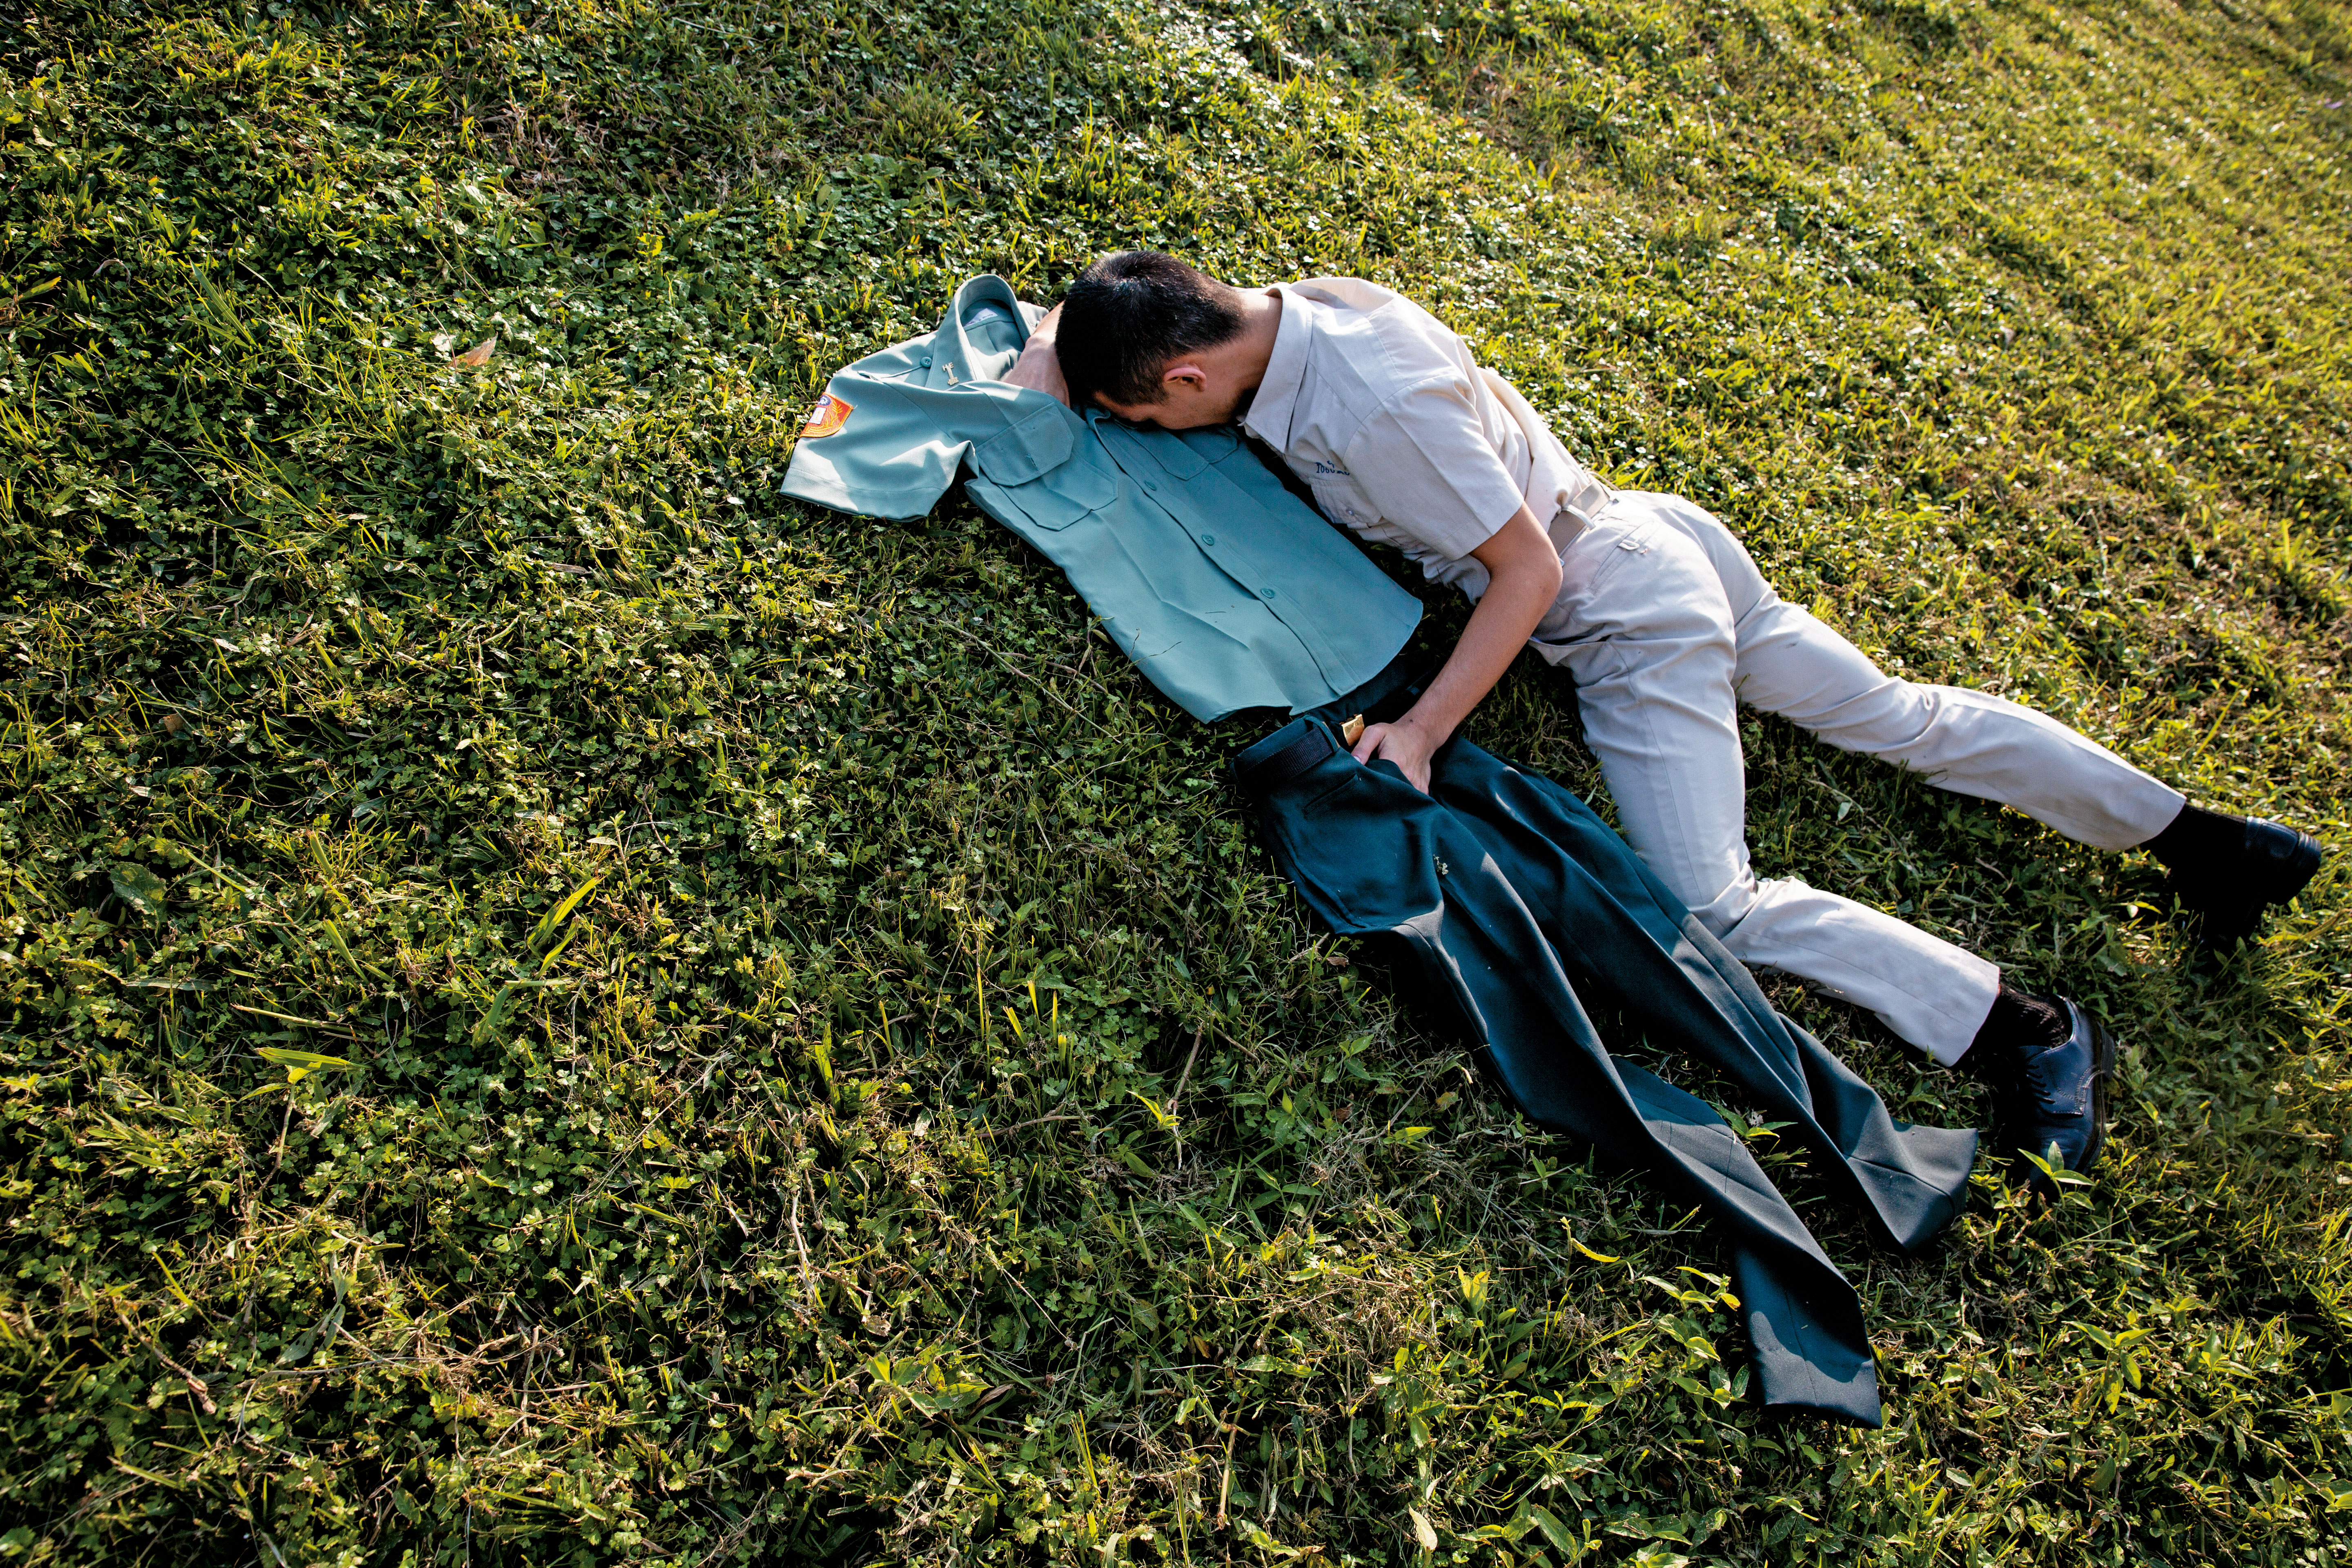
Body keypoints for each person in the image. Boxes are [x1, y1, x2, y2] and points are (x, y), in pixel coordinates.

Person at [1002, 250, 2325, 1185]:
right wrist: (1065, 342)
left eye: (1136, 410)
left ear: (1183, 378)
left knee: (1719, 904)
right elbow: (1117, 328)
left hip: (1621, 609)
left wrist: (1416, 736)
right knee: (1897, 717)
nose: (1139, 427)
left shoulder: (1372, 408)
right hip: (1654, 530)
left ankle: (2027, 1028)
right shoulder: (1290, 310)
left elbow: (1529, 580)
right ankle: (2212, 844)